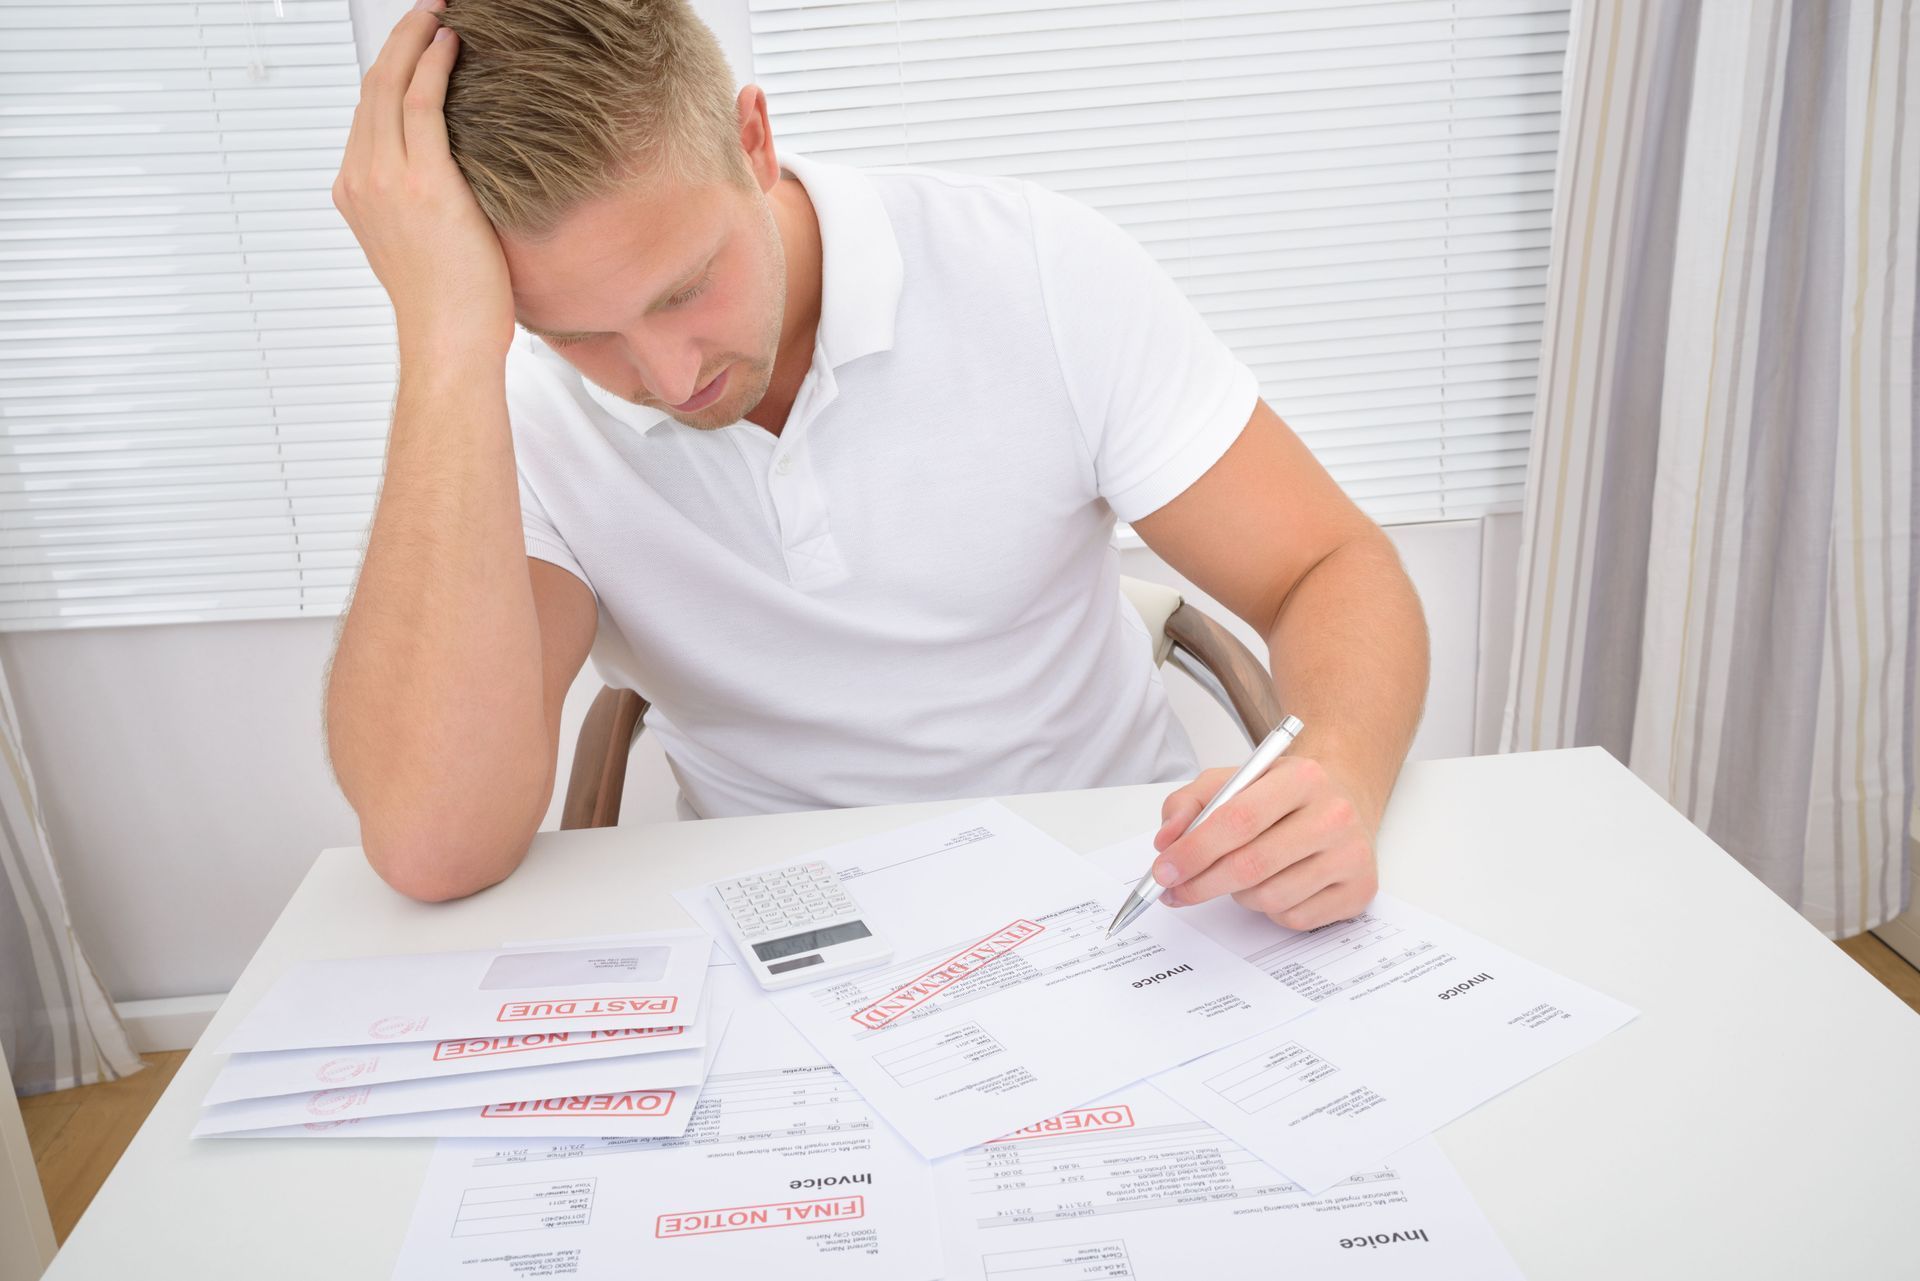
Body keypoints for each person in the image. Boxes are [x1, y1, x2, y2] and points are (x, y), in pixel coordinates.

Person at [323, 0, 1430, 932]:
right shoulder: (506, 407)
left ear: (753, 143)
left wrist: (1336, 760)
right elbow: (437, 845)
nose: (665, 375)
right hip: (791, 923)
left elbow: (1325, 563)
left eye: (683, 288)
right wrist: (444, 352)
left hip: (1122, 887)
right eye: (577, 333)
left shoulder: (1036, 269)